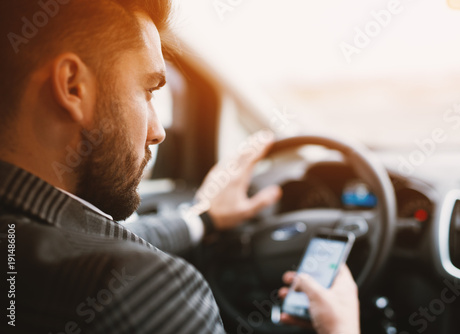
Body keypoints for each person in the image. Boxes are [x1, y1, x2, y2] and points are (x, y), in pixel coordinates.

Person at [0, 0, 360, 333]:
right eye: (148, 90)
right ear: (73, 87)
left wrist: (204, 218)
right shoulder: (148, 290)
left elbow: (108, 233)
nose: (157, 132)